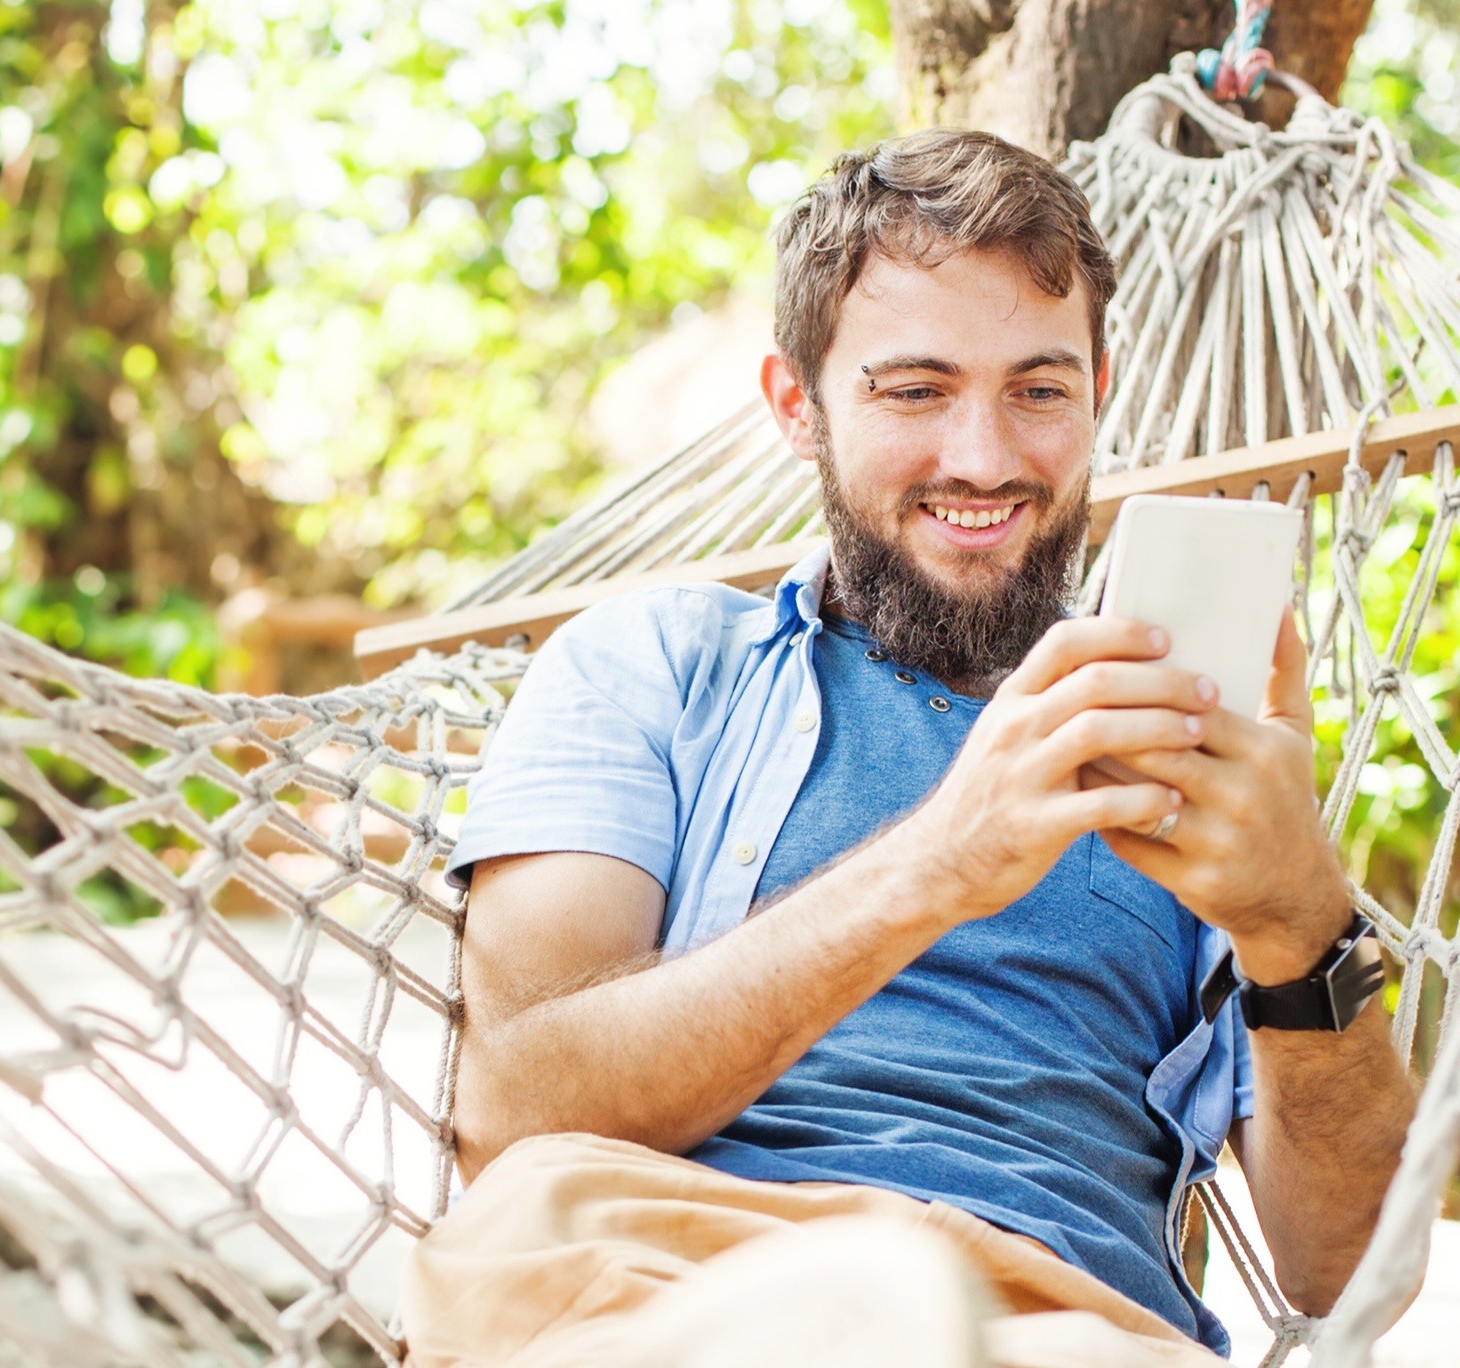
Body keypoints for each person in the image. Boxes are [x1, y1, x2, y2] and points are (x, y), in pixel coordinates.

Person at [402, 129, 1419, 1368]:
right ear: (798, 407)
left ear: (1097, 387)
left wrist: (1299, 926)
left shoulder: (1194, 744)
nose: (982, 461)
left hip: (1052, 1320)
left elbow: (1351, 1277)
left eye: (1037, 390)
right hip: (664, 1276)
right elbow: (511, 1108)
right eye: (913, 390)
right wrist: (941, 859)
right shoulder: (650, 666)